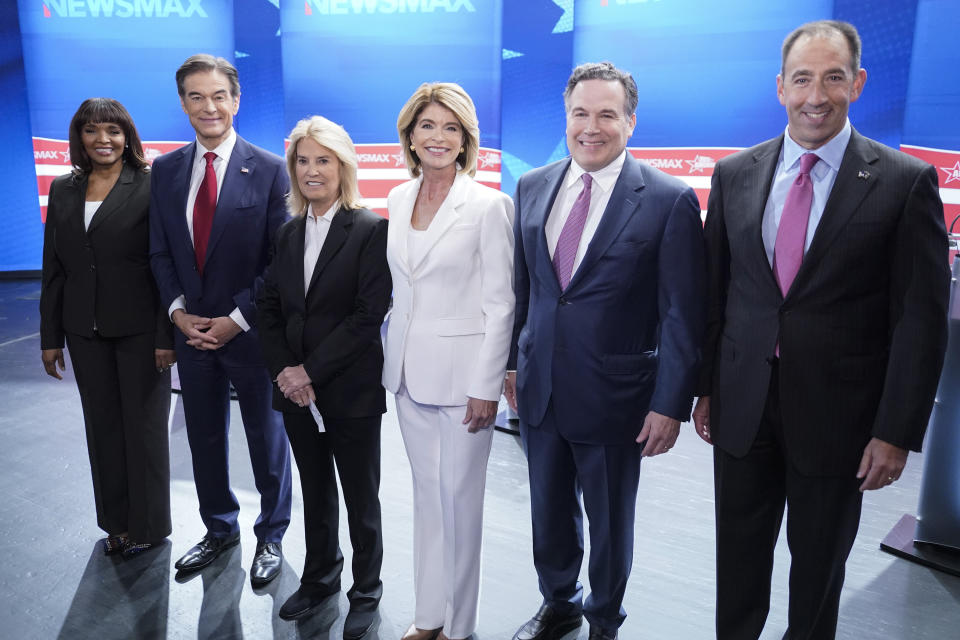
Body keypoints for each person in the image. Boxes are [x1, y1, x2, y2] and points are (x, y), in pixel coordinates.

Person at [693, 20, 949, 640]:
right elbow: (714, 294)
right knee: (739, 562)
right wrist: (704, 388)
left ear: (857, 84)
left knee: (817, 571)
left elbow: (920, 320)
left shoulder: (903, 182)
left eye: (833, 77)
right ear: (780, 87)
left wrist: (894, 433)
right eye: (802, 79)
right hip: (744, 407)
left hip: (840, 420)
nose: (816, 95)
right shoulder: (733, 175)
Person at [504, 62, 706, 640]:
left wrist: (670, 404)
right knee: (548, 511)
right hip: (539, 388)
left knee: (611, 521)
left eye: (606, 115)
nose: (591, 127)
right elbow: (528, 289)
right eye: (580, 114)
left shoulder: (668, 200)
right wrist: (515, 364)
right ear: (566, 118)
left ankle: (604, 619)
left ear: (630, 122)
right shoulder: (533, 185)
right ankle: (559, 601)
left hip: (617, 397)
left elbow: (681, 315)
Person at [149, 54, 292, 585]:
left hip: (251, 335)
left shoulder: (273, 170)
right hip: (191, 334)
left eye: (218, 96)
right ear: (183, 102)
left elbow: (281, 262)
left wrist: (236, 318)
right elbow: (159, 252)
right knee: (204, 438)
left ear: (236, 100)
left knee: (266, 438)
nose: (208, 107)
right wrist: (178, 313)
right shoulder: (163, 171)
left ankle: (272, 535)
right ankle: (219, 528)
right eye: (195, 96)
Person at [381, 82, 514, 640]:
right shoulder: (394, 198)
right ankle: (428, 617)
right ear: (410, 135)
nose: (437, 138)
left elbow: (501, 302)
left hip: (465, 384)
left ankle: (460, 628)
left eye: (450, 128)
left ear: (466, 140)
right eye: (427, 126)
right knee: (427, 503)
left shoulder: (488, 205)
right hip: (408, 376)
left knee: (461, 508)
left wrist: (488, 384)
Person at [256, 116, 392, 640]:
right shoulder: (288, 233)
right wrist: (287, 374)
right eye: (304, 161)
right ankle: (319, 579)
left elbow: (367, 313)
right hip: (296, 393)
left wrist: (309, 370)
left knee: (362, 498)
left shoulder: (369, 229)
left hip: (350, 391)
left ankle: (366, 591)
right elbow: (270, 309)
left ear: (344, 167)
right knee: (315, 492)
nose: (312, 170)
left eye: (324, 160)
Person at [40, 98, 174, 558]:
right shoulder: (63, 189)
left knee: (144, 431)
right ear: (79, 137)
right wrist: (49, 337)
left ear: (128, 137)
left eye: (113, 131)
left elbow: (165, 267)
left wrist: (165, 336)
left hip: (141, 331)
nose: (104, 140)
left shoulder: (153, 185)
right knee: (103, 429)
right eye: (93, 130)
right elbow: (54, 267)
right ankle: (116, 523)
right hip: (83, 331)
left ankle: (149, 527)